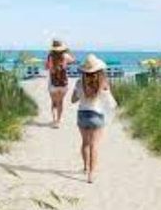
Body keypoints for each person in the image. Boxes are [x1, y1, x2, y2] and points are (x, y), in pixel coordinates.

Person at [71, 54, 118, 183]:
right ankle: (91, 174)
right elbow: (110, 103)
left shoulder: (79, 82)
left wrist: (80, 94)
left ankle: (85, 167)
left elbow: (73, 100)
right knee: (94, 145)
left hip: (82, 115)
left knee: (85, 143)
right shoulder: (102, 83)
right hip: (96, 115)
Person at [45, 39, 76, 128]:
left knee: (54, 102)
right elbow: (73, 60)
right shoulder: (65, 56)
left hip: (53, 82)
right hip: (63, 83)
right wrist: (68, 50)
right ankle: (58, 120)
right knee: (60, 102)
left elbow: (46, 67)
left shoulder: (50, 56)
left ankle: (54, 120)